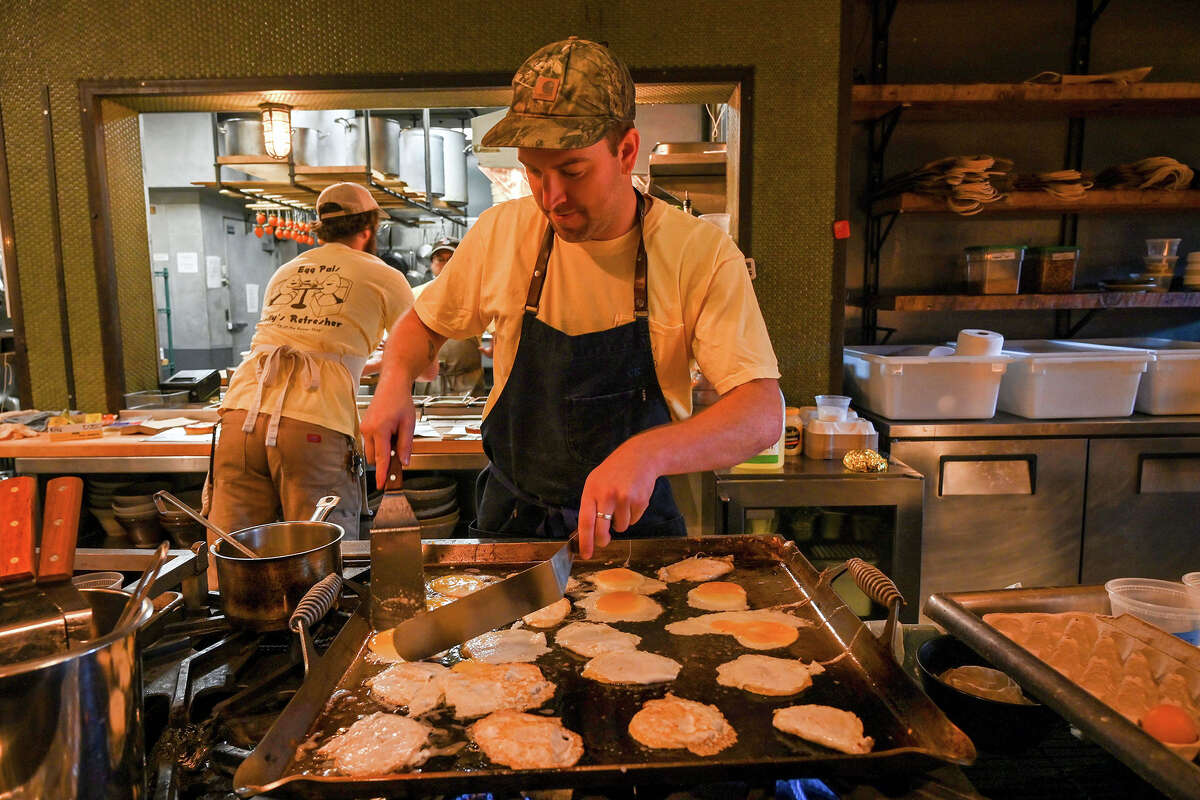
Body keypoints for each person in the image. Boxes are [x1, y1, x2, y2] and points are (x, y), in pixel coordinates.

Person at [362, 37, 781, 559]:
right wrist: (396, 380)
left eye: (573, 171)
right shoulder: (502, 233)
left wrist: (647, 454)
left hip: (633, 530)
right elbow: (422, 326)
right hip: (512, 523)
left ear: (626, 151)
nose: (550, 197)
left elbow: (761, 413)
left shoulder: (699, 253)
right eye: (534, 171)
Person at [208, 182, 417, 556]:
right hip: (313, 424)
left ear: (321, 227)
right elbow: (420, 355)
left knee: (235, 554)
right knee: (319, 558)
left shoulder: (286, 270)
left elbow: (312, 354)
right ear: (368, 228)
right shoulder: (382, 274)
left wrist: (368, 366)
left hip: (240, 418)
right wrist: (407, 364)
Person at [413, 237, 485, 397]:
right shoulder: (415, 294)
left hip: (468, 383)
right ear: (431, 263)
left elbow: (498, 333)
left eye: (451, 259)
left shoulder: (478, 294)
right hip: (427, 383)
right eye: (440, 259)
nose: (445, 264)